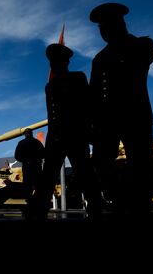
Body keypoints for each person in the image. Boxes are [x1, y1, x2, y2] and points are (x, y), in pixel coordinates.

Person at [88, 2, 153, 215]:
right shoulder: (99, 58)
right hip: (106, 119)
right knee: (100, 161)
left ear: (120, 24)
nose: (103, 31)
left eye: (107, 26)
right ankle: (117, 197)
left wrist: (128, 42)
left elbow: (151, 52)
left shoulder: (138, 45)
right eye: (101, 28)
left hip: (135, 114)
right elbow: (93, 93)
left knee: (140, 163)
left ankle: (138, 204)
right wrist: (92, 123)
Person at [29, 43, 102, 220]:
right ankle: (38, 208)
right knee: (48, 175)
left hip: (75, 134)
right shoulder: (50, 86)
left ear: (65, 61)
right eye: (51, 61)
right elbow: (52, 115)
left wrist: (90, 131)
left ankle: (96, 206)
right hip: (56, 137)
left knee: (84, 172)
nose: (53, 64)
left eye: (56, 61)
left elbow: (88, 106)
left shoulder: (78, 78)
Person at [14, 128, 44, 204]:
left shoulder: (21, 143)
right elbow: (43, 153)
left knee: (27, 184)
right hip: (36, 166)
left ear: (25, 134)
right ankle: (38, 200)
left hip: (27, 167)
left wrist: (25, 161)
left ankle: (29, 200)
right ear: (32, 133)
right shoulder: (37, 142)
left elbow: (17, 156)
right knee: (37, 183)